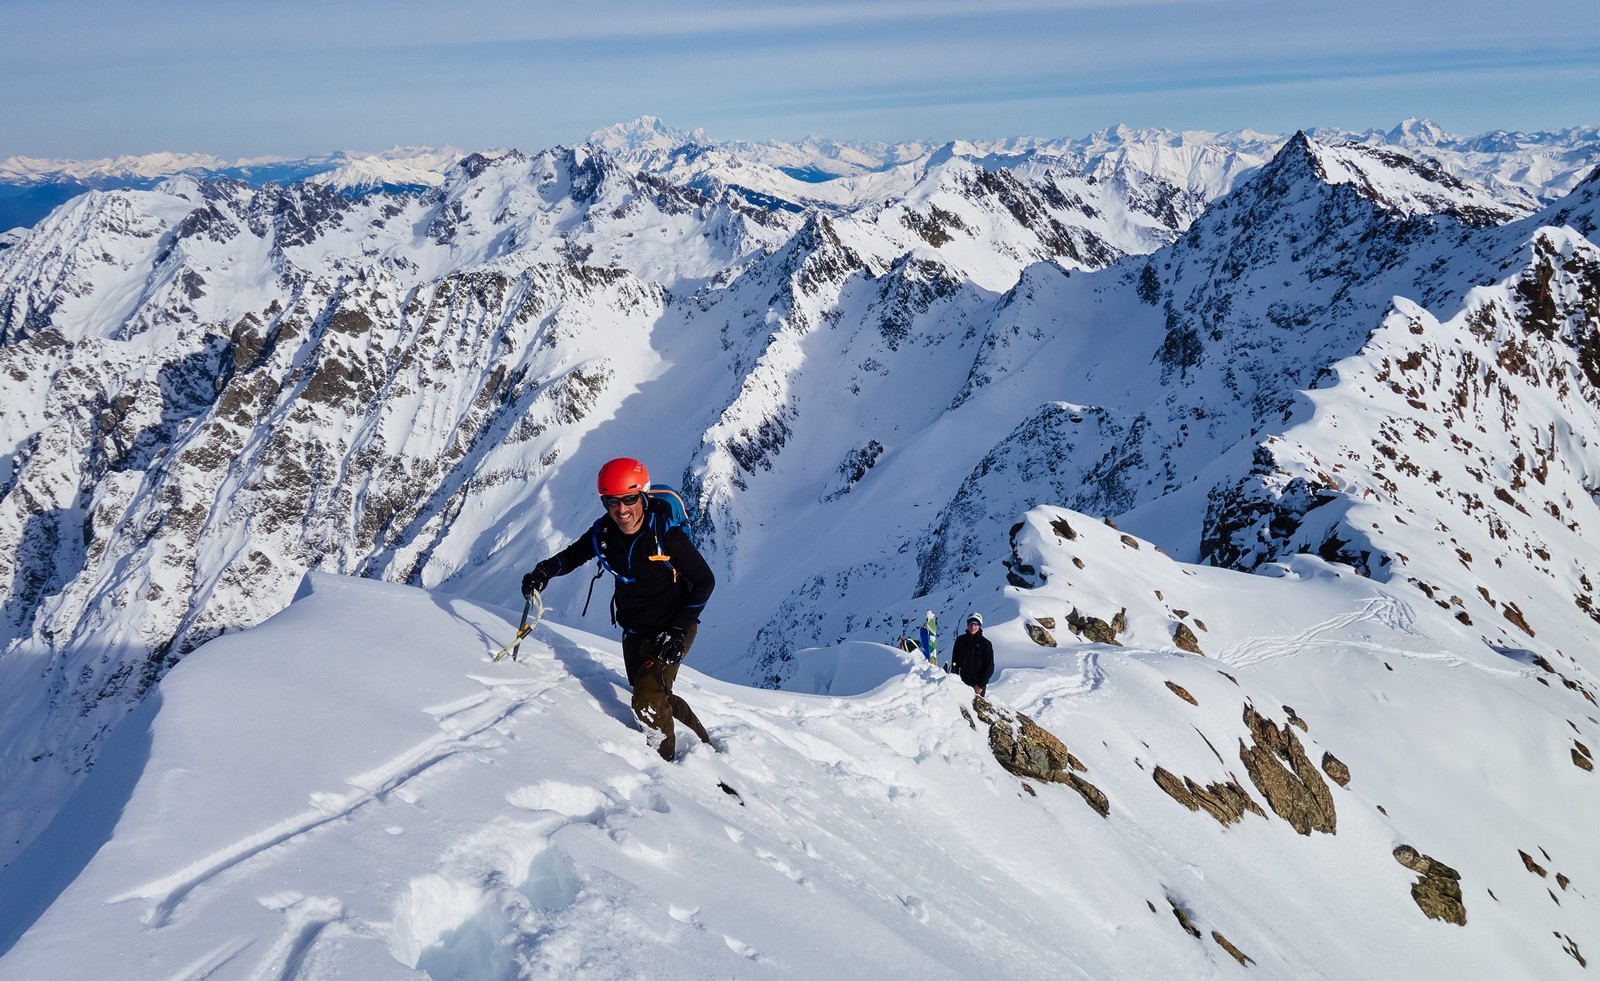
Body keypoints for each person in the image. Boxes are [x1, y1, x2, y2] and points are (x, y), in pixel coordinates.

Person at [522, 458, 715, 761]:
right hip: (634, 630)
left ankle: (668, 766)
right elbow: (573, 555)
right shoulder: (604, 534)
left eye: (628, 499)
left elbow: (704, 581)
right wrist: (543, 571)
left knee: (647, 700)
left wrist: (677, 632)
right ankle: (704, 744)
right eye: (612, 502)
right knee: (650, 691)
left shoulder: (665, 534)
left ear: (643, 497)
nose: (621, 510)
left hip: (672, 627)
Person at [949, 613, 994, 697]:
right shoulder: (960, 641)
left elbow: (989, 667)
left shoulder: (985, 644)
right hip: (961, 682)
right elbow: (955, 661)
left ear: (980, 626)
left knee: (974, 709)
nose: (972, 627)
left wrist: (981, 685)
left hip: (977, 686)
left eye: (976, 624)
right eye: (970, 624)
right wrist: (954, 678)